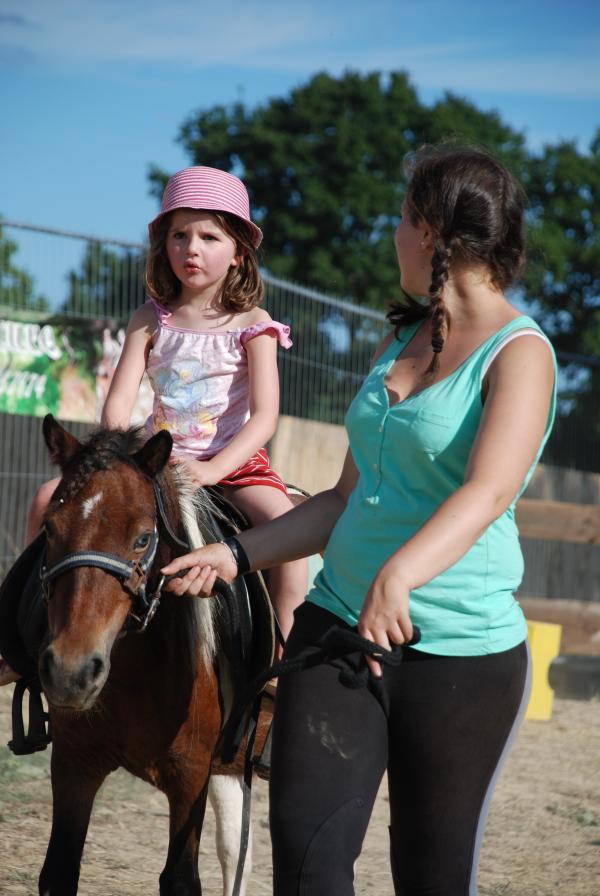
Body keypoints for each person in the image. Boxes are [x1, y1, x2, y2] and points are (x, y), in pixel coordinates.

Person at [160, 145, 557, 895]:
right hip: (337, 631)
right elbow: (346, 499)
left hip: (461, 662)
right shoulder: (400, 337)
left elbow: (487, 491)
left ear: (434, 233)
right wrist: (235, 556)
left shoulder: (521, 353)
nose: (395, 237)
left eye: (403, 220)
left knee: (430, 879)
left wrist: (400, 575)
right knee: (308, 868)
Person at [1, 167, 307, 687]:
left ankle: (284, 656)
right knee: (45, 500)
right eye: (179, 234)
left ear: (238, 252)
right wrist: (119, 460)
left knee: (287, 531)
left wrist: (212, 471)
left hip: (231, 462)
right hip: (149, 461)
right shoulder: (151, 317)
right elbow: (118, 408)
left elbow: (265, 418)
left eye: (210, 236)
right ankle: (25, 635)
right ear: (162, 244)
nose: (192, 247)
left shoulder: (254, 322)